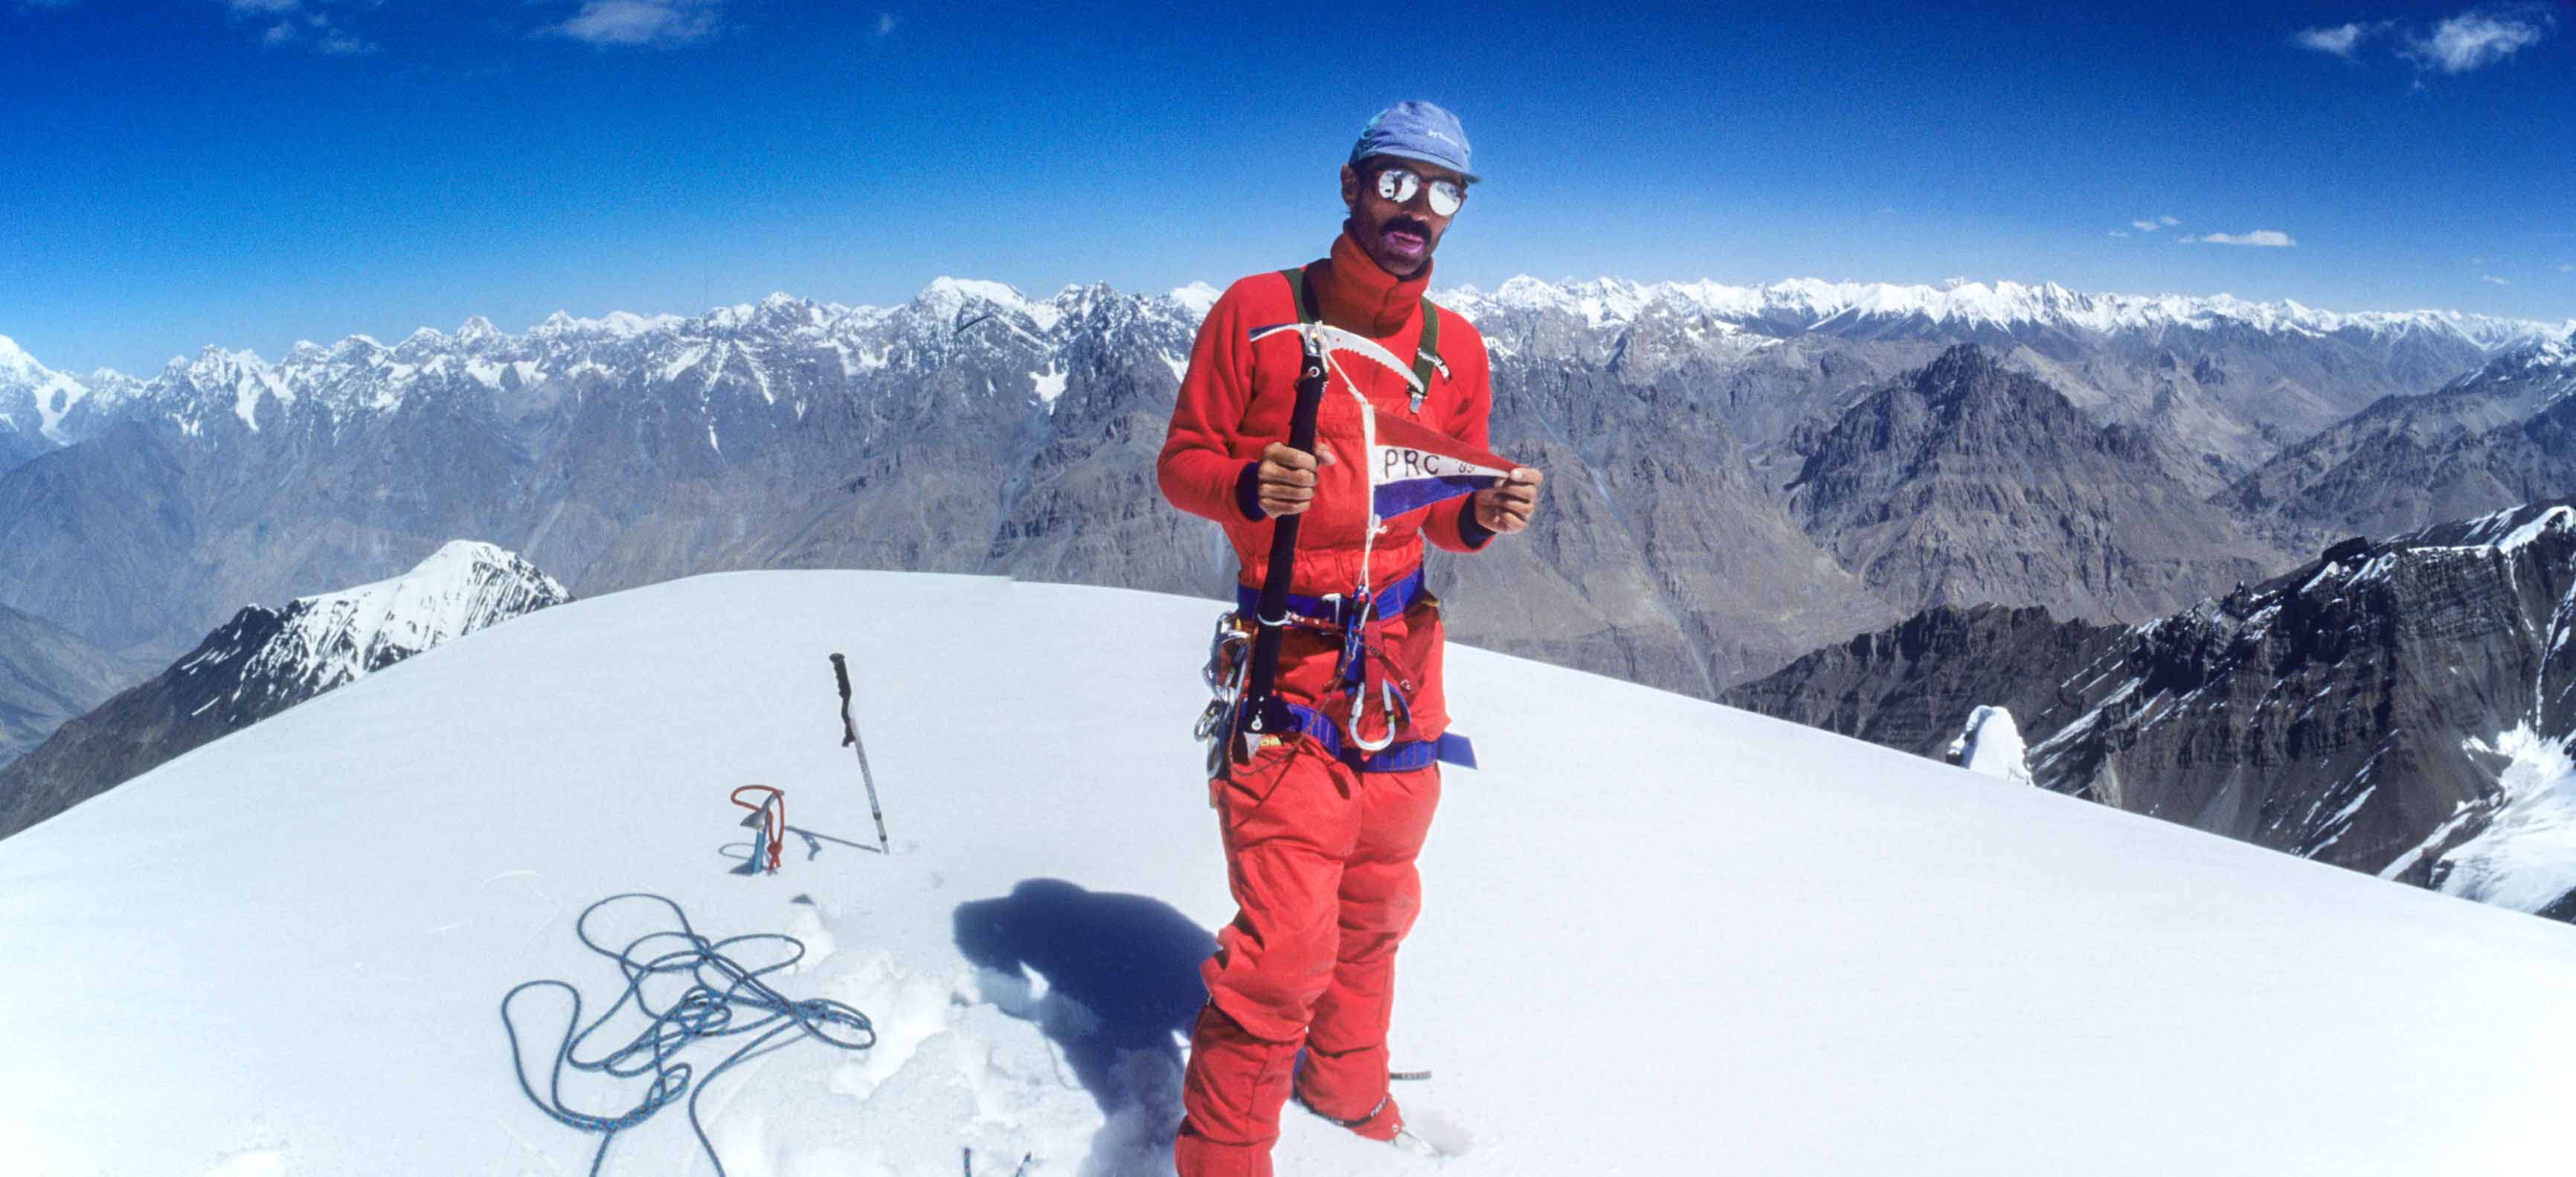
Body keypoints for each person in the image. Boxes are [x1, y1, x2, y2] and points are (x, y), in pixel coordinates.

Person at [1154, 100, 1544, 1177]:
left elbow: (1439, 501)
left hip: (1401, 671)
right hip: (1286, 667)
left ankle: (1348, 1096)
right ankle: (1223, 1158)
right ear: (1351, 185)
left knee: (1375, 908)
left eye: (1444, 191)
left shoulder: (1456, 349)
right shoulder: (1257, 314)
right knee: (1285, 950)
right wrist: (1245, 482)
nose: (1418, 209)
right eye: (1398, 182)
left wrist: (1483, 512)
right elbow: (1182, 461)